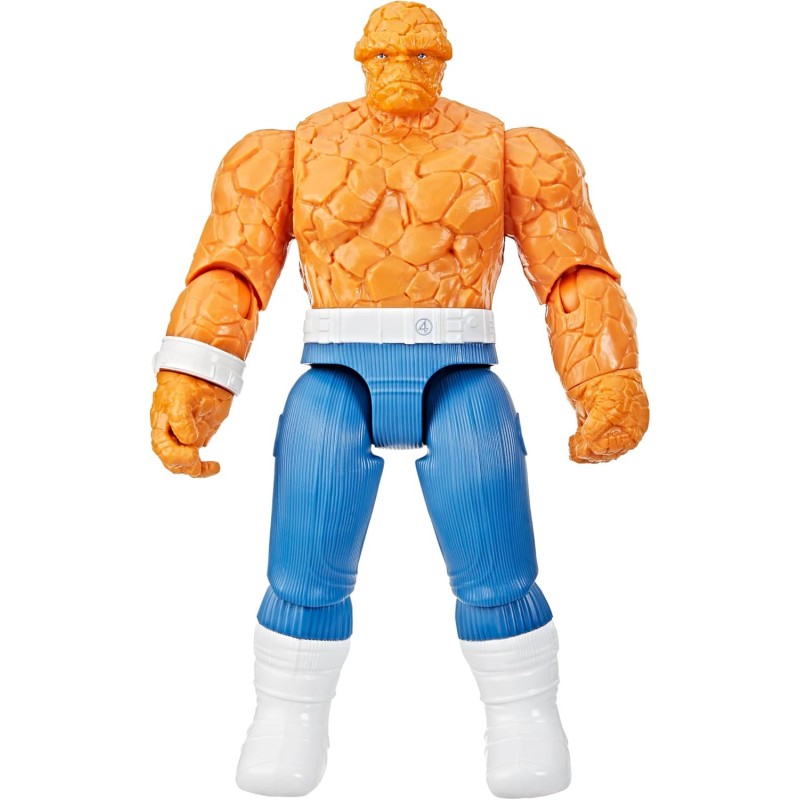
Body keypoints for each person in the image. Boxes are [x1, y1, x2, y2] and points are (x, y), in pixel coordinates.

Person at [150, 2, 649, 796]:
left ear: (446, 59)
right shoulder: (293, 149)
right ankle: (288, 712)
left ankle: (523, 711)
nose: (405, 69)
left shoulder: (509, 150)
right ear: (362, 58)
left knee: (494, 548)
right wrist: (194, 379)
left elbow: (572, 269)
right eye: (388, 54)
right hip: (335, 370)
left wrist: (606, 377)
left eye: (423, 55)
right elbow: (233, 268)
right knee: (306, 552)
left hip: (461, 368)